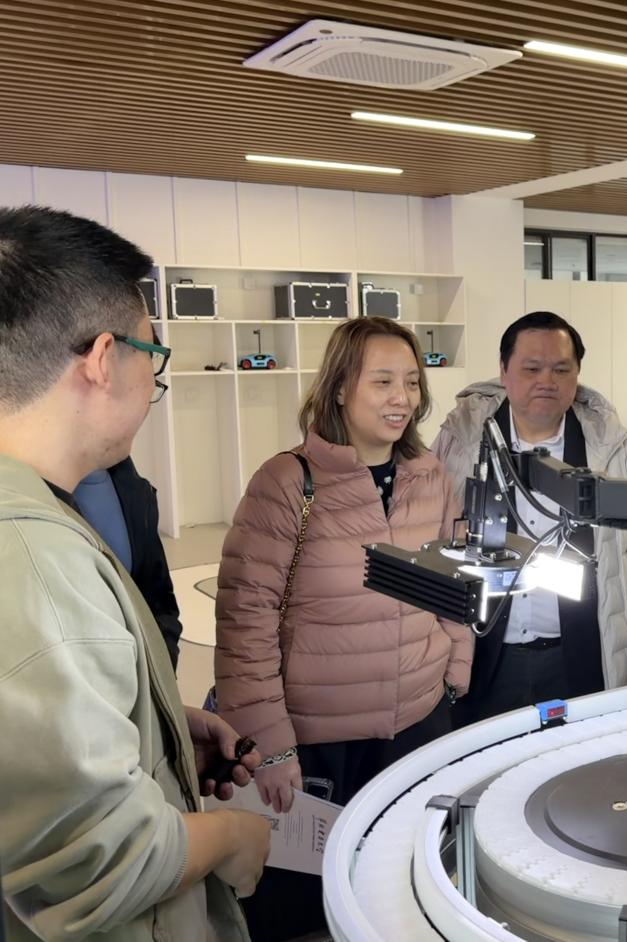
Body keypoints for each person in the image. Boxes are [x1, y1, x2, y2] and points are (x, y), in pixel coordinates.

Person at [0, 205, 268, 942]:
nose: (153, 378)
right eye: (152, 351)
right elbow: (99, 863)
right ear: (101, 359)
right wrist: (234, 837)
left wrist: (154, 726)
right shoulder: (37, 555)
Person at [215, 315, 471, 940]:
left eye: (411, 381)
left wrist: (454, 673)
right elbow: (245, 621)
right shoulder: (287, 482)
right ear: (338, 388)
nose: (401, 397)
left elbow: (455, 584)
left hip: (416, 725)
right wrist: (270, 746)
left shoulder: (430, 476)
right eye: (382, 381)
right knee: (306, 906)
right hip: (320, 740)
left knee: (399, 890)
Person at [432, 311, 627, 720]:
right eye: (531, 369)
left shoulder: (610, 447)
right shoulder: (461, 440)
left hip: (581, 655)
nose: (546, 381)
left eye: (561, 369)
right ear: (504, 371)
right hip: (482, 660)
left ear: (577, 374)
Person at [74, 456, 184, 669]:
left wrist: (162, 663)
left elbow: (159, 601)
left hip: (140, 671)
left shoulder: (134, 490)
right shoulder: (31, 498)